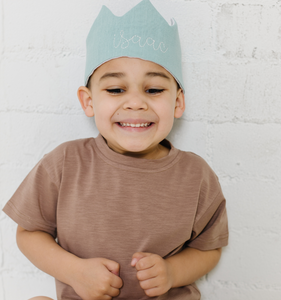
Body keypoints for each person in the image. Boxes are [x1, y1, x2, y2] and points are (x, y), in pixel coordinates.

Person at [2, 0, 228, 299]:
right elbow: (29, 233)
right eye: (116, 89)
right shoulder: (65, 163)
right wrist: (75, 272)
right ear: (88, 101)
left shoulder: (195, 175)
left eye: (154, 89)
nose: (135, 103)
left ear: (177, 102)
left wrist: (173, 272)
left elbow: (208, 248)